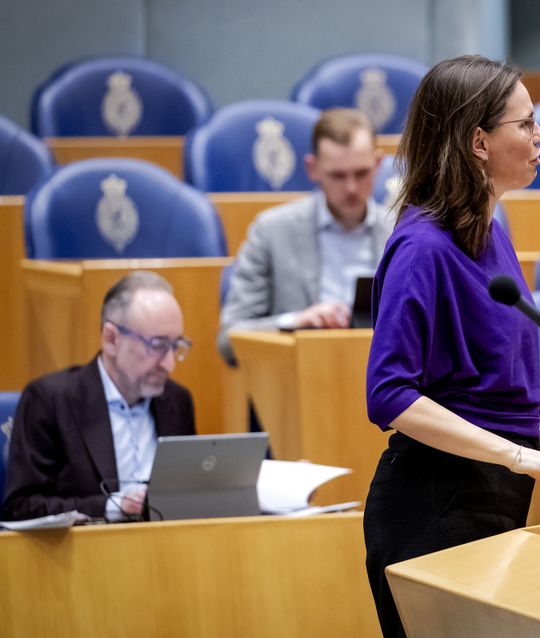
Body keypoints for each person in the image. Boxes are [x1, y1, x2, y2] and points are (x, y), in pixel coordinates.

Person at [362, 55, 540, 638]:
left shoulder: (490, 227)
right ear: (478, 142)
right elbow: (388, 395)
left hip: (493, 491)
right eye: (525, 123)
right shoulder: (423, 247)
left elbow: (496, 386)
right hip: (433, 505)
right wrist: (520, 456)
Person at [2, 271, 196, 521]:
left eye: (175, 346)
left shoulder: (177, 401)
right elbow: (22, 507)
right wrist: (111, 507)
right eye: (157, 345)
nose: (169, 364)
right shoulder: (49, 400)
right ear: (112, 339)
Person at [217, 108, 393, 365]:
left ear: (378, 164)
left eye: (361, 173)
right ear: (313, 168)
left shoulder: (401, 229)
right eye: (338, 175)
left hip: (384, 379)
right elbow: (229, 338)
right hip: (301, 379)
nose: (351, 188)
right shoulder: (272, 230)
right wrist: (296, 322)